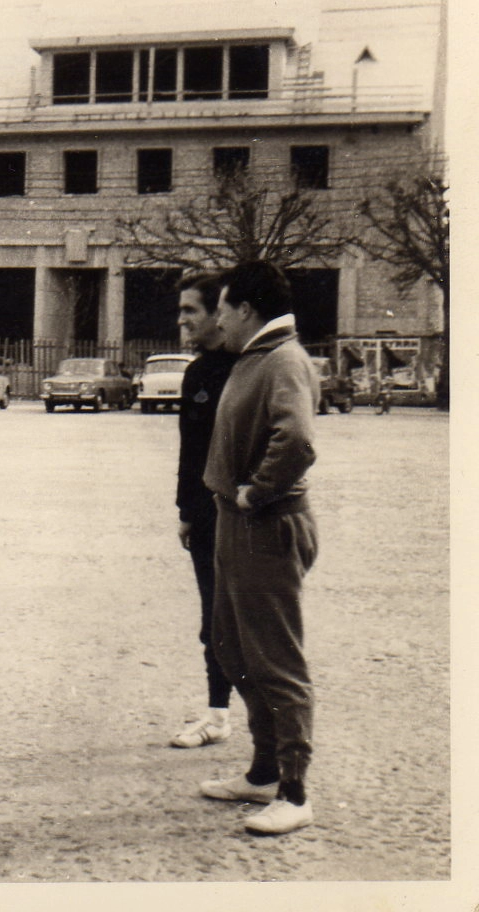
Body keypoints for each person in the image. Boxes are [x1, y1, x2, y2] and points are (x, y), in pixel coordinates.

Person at [198, 260, 321, 836]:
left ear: (246, 310)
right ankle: (264, 770)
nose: (217, 319)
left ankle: (294, 792)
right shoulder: (257, 357)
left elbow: (295, 438)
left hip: (264, 526)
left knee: (276, 659)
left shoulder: (283, 359)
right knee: (232, 649)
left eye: (221, 308)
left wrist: (257, 492)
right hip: (235, 524)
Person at [170, 273, 238, 749]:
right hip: (207, 515)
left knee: (245, 617)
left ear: (220, 313)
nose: (182, 320)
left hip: (243, 511)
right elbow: (189, 452)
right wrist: (186, 510)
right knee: (213, 615)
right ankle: (217, 715)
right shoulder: (196, 373)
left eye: (191, 310)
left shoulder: (249, 367)